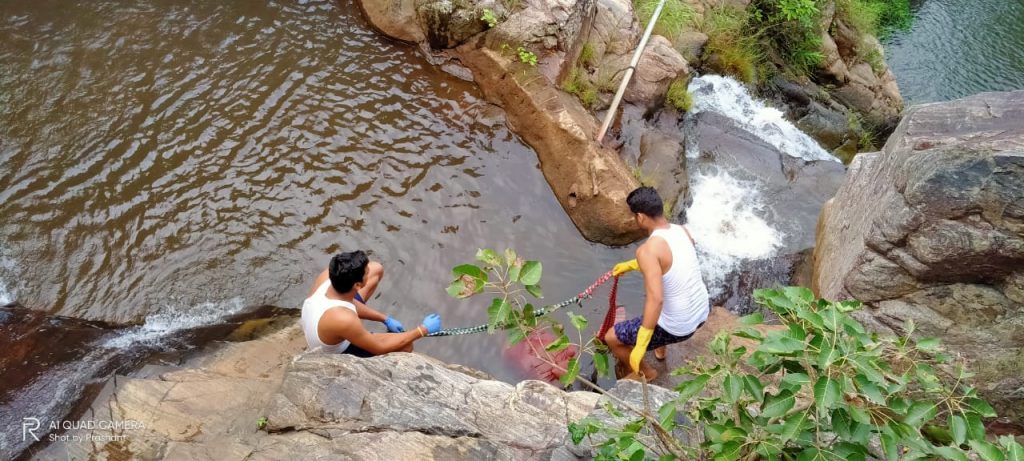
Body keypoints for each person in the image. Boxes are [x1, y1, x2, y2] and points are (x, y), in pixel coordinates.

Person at [604, 187, 710, 380]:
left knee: (612, 338)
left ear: (641, 217)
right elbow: (673, 263)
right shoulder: (683, 231)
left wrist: (642, 343)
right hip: (702, 311)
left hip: (679, 326)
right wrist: (632, 265)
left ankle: (647, 372)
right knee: (663, 299)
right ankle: (660, 352)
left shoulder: (647, 251)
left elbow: (656, 299)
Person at [301, 250, 441, 356]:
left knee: (377, 268)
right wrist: (422, 330)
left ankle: (376, 332)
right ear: (357, 285)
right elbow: (378, 346)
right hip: (334, 351)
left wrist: (385, 319)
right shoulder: (344, 319)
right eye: (365, 272)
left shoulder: (329, 276)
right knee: (406, 347)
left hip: (327, 317)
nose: (368, 271)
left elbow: (350, 302)